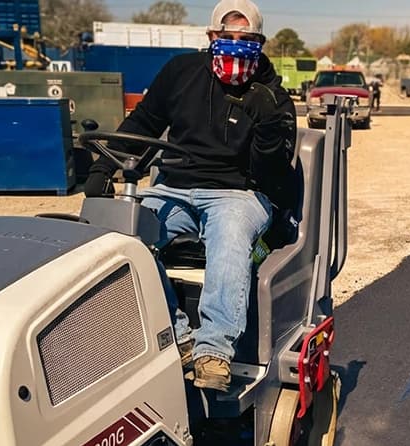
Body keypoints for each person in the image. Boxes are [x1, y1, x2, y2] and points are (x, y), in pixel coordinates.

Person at [84, 0, 297, 392]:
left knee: (230, 234)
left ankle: (213, 349)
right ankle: (179, 335)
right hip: (174, 186)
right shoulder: (181, 72)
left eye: (246, 40)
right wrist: (102, 168)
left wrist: (268, 131)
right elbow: (143, 122)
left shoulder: (271, 96)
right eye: (227, 38)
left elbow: (276, 174)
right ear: (211, 37)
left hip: (238, 192)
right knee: (125, 238)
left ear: (260, 43)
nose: (235, 47)